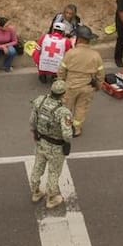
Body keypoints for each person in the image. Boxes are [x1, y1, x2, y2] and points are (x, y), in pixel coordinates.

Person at [29, 79, 73, 209]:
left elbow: (32, 121)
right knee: (54, 172)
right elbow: (67, 135)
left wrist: (35, 134)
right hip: (56, 147)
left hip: (41, 142)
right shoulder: (63, 112)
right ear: (63, 94)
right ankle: (52, 198)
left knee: (38, 166)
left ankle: (36, 192)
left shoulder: (39, 101)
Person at [57, 25, 104, 137]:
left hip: (71, 86)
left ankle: (66, 128)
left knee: (66, 108)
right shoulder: (95, 55)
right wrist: (98, 86)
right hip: (88, 87)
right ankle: (77, 129)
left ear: (80, 39)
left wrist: (61, 81)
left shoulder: (71, 53)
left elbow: (61, 70)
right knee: (81, 108)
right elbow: (100, 74)